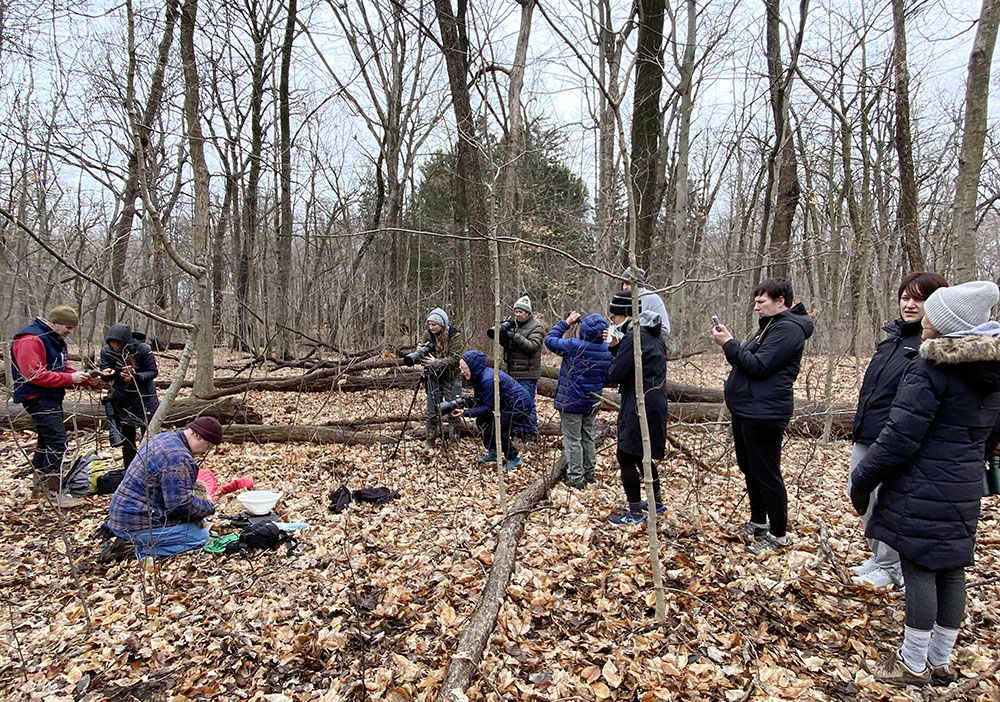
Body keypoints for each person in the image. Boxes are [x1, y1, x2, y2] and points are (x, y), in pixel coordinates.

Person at [849, 280, 1000, 687]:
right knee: (951, 570)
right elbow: (992, 436)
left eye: (932, 310)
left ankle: (912, 663)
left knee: (918, 568)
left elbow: (899, 437)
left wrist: (862, 481)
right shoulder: (991, 370)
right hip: (965, 484)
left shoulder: (929, 367)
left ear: (946, 321)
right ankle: (940, 661)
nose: (924, 316)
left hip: (922, 484)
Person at [848, 272, 948, 588]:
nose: (909, 304)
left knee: (889, 502)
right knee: (863, 496)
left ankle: (894, 567)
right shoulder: (891, 340)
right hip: (867, 433)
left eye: (918, 298)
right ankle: (881, 558)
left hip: (894, 439)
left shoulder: (932, 346)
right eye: (905, 297)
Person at [711, 278, 814, 554]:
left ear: (780, 301)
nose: (756, 306)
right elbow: (746, 361)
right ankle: (758, 522)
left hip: (765, 413)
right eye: (755, 300)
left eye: (762, 301)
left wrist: (728, 344)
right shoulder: (768, 327)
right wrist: (733, 345)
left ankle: (778, 535)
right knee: (750, 468)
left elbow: (758, 366)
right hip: (747, 410)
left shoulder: (788, 330)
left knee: (767, 473)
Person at [11, 305, 99, 508]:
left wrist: (85, 379)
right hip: (37, 397)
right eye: (67, 327)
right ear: (54, 322)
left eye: (72, 328)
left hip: (51, 396)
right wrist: (70, 378)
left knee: (46, 441)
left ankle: (40, 488)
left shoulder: (55, 340)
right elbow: (34, 374)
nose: (69, 331)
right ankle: (52, 492)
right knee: (57, 441)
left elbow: (60, 368)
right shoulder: (30, 339)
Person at [107, 416, 223, 560]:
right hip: (136, 522)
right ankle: (144, 551)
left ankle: (142, 541)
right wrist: (208, 507)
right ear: (198, 436)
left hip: (123, 514)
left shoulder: (165, 438)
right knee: (200, 536)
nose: (205, 451)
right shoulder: (178, 458)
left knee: (199, 522)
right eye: (208, 446)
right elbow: (180, 506)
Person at [605, 291, 668, 524]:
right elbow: (636, 363)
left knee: (626, 455)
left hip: (639, 403)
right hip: (655, 401)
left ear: (625, 314)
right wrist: (616, 347)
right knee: (643, 453)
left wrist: (610, 357)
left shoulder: (634, 337)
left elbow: (617, 373)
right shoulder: (652, 334)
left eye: (614, 317)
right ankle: (656, 501)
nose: (613, 321)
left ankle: (635, 512)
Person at [545, 311, 613, 489]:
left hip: (571, 402)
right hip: (592, 401)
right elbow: (609, 378)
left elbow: (550, 340)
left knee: (572, 440)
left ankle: (576, 479)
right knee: (587, 438)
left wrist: (566, 323)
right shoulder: (608, 352)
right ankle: (590, 476)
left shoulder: (573, 346)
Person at [454, 350, 534, 469]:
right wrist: (465, 402)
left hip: (518, 404)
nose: (462, 372)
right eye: (460, 368)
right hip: (506, 404)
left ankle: (514, 459)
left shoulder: (487, 379)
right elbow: (480, 400)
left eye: (464, 368)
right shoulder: (478, 377)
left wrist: (466, 413)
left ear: (472, 366)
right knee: (482, 421)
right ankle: (493, 453)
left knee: (499, 429)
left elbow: (487, 407)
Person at [100, 323, 160, 470]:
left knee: (150, 438)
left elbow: (152, 372)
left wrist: (135, 377)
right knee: (128, 440)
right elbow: (105, 371)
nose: (115, 346)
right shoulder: (106, 351)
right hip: (123, 400)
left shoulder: (143, 349)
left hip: (145, 398)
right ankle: (130, 471)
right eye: (112, 343)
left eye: (118, 343)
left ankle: (152, 469)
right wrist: (109, 373)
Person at [498, 295, 545, 436]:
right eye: (516, 311)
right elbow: (505, 344)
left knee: (527, 403)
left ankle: (530, 432)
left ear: (528, 313)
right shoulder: (514, 325)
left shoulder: (536, 326)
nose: (517, 314)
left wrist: (514, 336)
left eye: (521, 312)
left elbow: (533, 346)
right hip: (512, 371)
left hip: (528, 373)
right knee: (513, 403)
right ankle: (517, 430)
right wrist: (503, 334)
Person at [419, 308, 464, 451]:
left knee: (453, 410)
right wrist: (420, 352)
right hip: (433, 378)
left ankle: (454, 441)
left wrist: (437, 363)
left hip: (452, 378)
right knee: (432, 411)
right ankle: (430, 441)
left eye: (434, 325)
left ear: (442, 324)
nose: (431, 328)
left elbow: (455, 358)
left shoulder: (454, 336)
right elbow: (424, 357)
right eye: (429, 324)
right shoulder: (428, 335)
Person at [621, 266, 670, 337]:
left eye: (627, 283)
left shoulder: (652, 298)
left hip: (647, 347)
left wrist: (638, 325)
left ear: (637, 283)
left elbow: (665, 329)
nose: (624, 287)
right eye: (623, 283)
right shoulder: (624, 300)